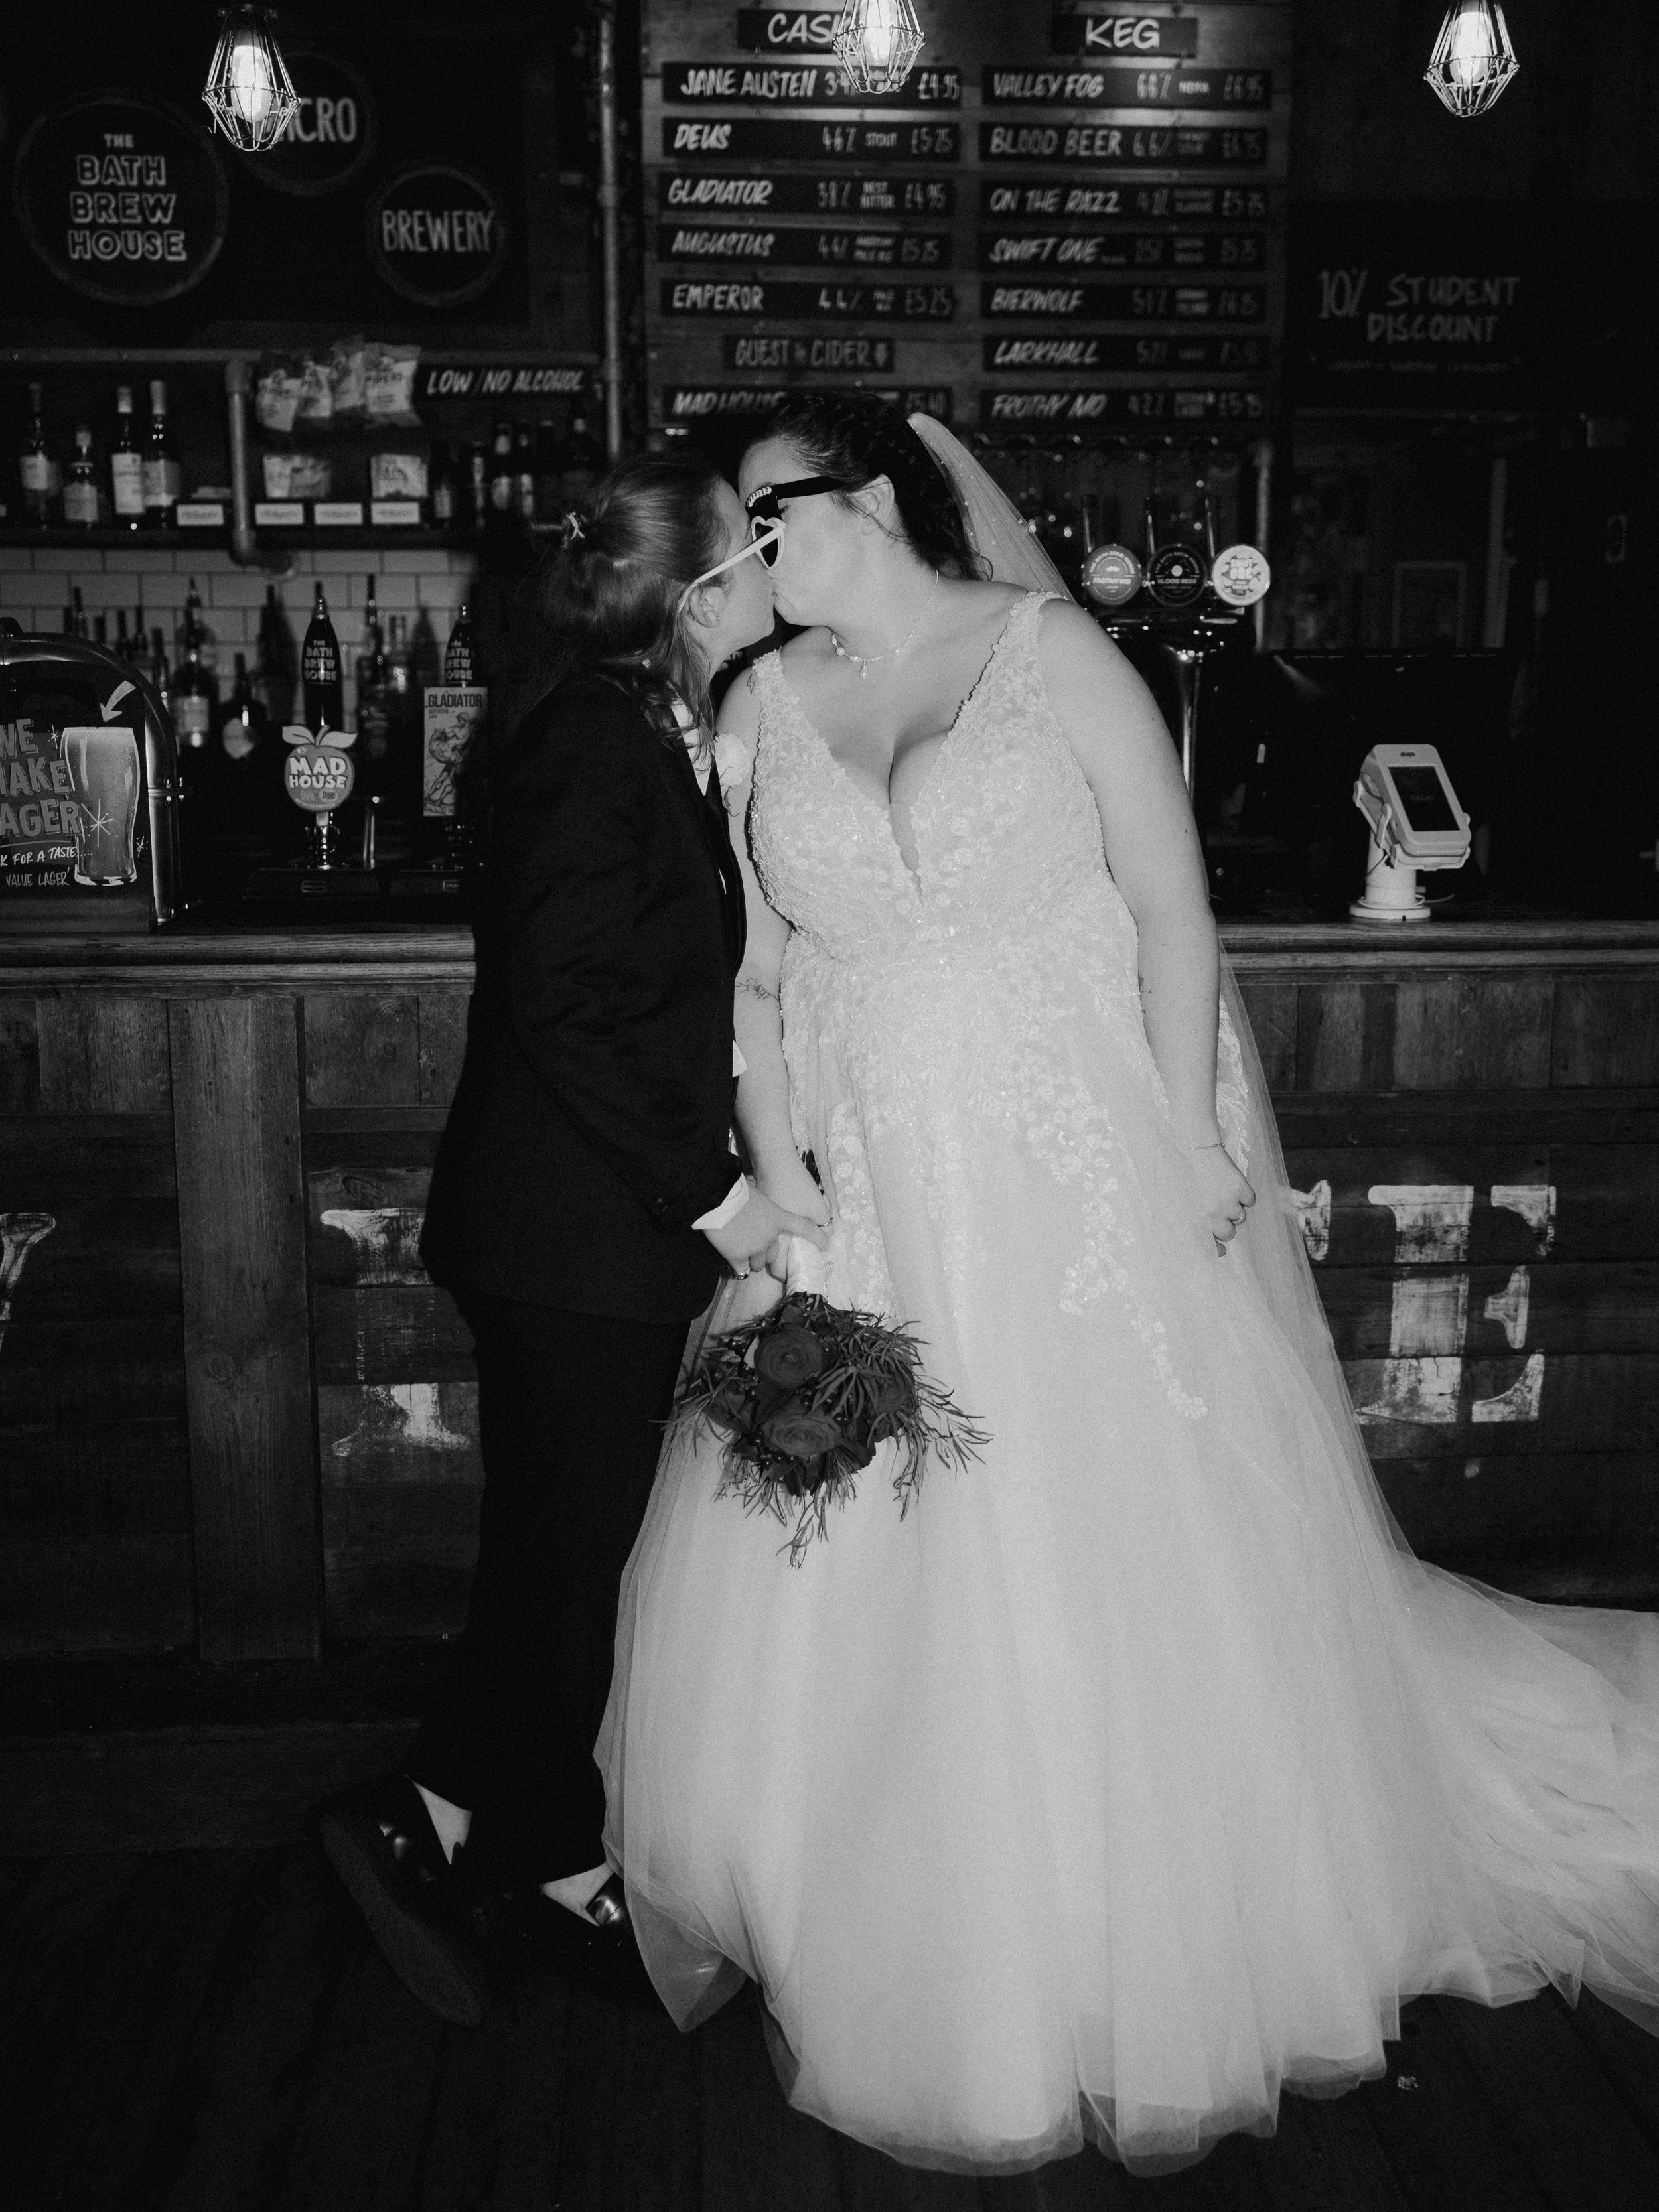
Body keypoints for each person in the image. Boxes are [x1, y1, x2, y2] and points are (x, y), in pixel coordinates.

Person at [599, 397, 1659, 2174]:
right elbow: (762, 974)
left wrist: (1189, 1139)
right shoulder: (752, 709)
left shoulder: (1048, 656)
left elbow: (1172, 912)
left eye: (767, 515)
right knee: (860, 1556)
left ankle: (1137, 1923)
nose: (745, 551)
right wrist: (774, 1165)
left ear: (864, 498)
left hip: (1066, 1174)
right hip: (864, 1187)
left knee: (1101, 1530)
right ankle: (905, 1920)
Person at [318, 454, 826, 2024]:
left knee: (557, 1553)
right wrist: (717, 1191)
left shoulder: (628, 725)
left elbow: (646, 986)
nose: (762, 573)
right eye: (744, 557)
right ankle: (489, 1842)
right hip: (571, 1237)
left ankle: (468, 1831)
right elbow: (565, 1008)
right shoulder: (589, 748)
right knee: (563, 1560)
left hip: (577, 1237)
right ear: (690, 601)